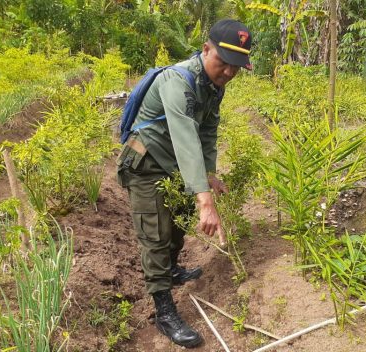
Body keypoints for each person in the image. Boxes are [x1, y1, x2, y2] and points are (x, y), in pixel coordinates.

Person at [116, 19, 252, 348]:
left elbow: (206, 131)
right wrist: (206, 202)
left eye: (236, 67)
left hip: (173, 164)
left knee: (177, 222)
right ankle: (164, 311)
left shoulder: (213, 86)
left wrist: (208, 173)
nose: (229, 74)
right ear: (206, 50)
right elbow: (185, 135)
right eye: (224, 63)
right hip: (146, 165)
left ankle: (174, 270)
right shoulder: (176, 81)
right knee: (156, 236)